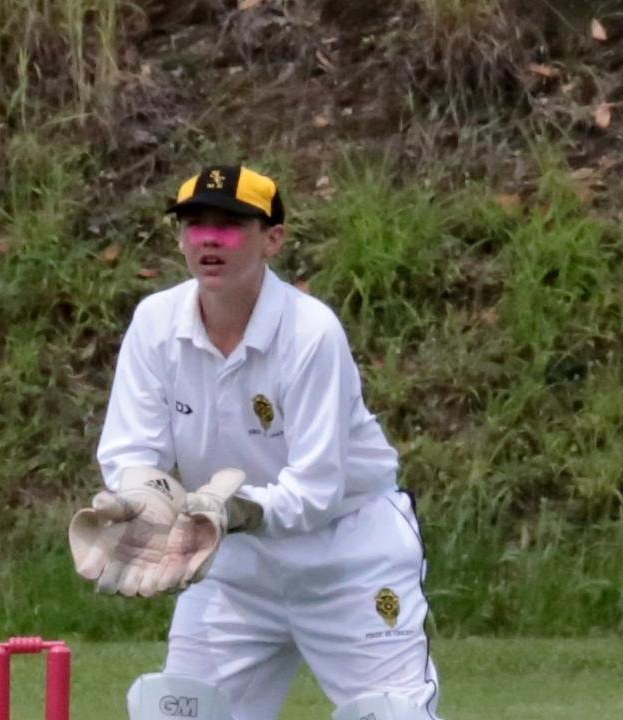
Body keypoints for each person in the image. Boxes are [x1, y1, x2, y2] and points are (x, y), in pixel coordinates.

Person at [71, 166, 442, 719]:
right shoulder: (155, 322)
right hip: (233, 568)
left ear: (274, 239)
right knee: (181, 711)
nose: (210, 240)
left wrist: (231, 510)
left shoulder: (310, 332)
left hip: (348, 558)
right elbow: (130, 451)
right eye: (195, 225)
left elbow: (316, 490)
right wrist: (146, 500)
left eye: (231, 224)